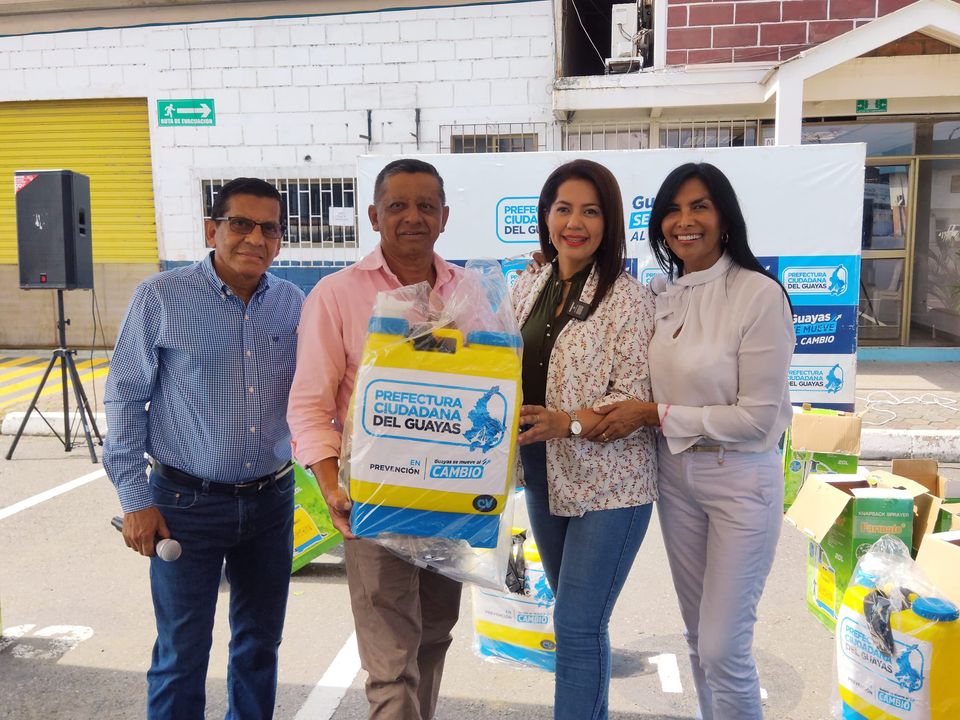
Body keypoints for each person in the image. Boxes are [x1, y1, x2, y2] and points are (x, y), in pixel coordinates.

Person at [588, 162, 794, 720]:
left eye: (699, 206)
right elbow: (603, 305)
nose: (685, 221)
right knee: (700, 639)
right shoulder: (663, 293)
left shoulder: (758, 295)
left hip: (740, 478)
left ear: (724, 217)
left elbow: (757, 420)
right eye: (673, 210)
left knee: (725, 647)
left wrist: (655, 414)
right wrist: (550, 268)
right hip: (675, 477)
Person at [103, 177, 304, 720]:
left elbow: (315, 390)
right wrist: (135, 500)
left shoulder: (291, 303)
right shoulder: (161, 297)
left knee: (260, 645)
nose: (255, 238)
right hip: (184, 505)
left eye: (269, 229)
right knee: (182, 652)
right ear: (212, 229)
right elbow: (125, 398)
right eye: (241, 224)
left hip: (271, 501)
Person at [287, 158, 463, 720]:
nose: (413, 217)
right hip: (373, 498)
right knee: (390, 664)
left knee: (434, 637)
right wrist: (330, 485)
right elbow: (309, 404)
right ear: (373, 215)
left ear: (444, 217)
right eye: (397, 206)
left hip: (451, 497)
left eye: (426, 206)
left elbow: (495, 385)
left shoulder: (469, 291)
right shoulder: (336, 294)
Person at [511, 159, 657, 720]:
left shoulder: (629, 299)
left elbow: (632, 399)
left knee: (577, 624)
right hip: (542, 475)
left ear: (609, 221)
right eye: (564, 208)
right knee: (574, 619)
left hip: (610, 486)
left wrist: (566, 422)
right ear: (546, 216)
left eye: (590, 211)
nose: (575, 222)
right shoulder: (527, 285)